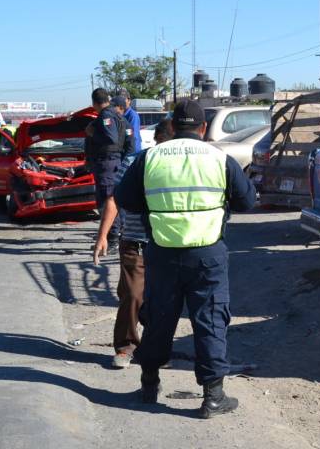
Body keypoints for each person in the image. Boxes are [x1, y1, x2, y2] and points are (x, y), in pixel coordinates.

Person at [115, 98, 256, 417]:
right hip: (207, 254)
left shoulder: (149, 158)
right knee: (210, 319)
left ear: (173, 126)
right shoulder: (219, 158)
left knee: (159, 319)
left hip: (162, 251)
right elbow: (247, 202)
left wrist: (156, 209)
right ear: (203, 128)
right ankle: (213, 396)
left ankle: (149, 384)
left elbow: (124, 198)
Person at [92, 117, 174, 369]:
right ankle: (125, 346)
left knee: (163, 300)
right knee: (133, 295)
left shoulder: (181, 164)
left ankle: (156, 349)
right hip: (136, 242)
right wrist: (103, 235)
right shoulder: (136, 161)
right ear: (158, 140)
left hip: (169, 243)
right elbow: (114, 199)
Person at [85, 88, 130, 250]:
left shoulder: (106, 115)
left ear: (94, 103)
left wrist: (92, 134)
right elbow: (128, 140)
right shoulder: (118, 115)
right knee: (114, 199)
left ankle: (112, 239)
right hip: (114, 162)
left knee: (107, 200)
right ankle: (117, 236)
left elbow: (111, 138)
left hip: (107, 164)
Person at [117, 89, 142, 156]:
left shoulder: (132, 115)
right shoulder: (119, 115)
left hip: (131, 153)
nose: (121, 101)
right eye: (119, 99)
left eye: (123, 99)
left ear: (129, 100)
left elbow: (133, 137)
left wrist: (130, 156)